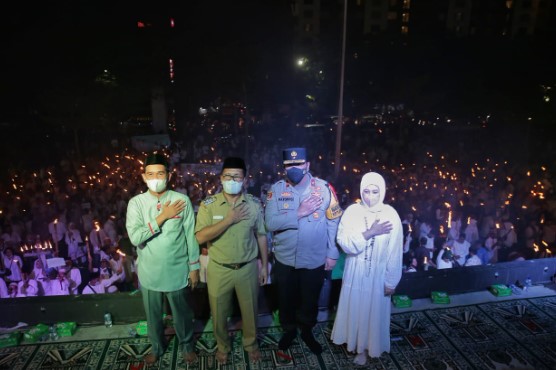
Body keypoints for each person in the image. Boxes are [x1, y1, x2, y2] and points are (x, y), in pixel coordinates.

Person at [264, 147, 341, 354]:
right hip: (285, 259)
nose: (294, 168)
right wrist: (298, 213)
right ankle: (289, 330)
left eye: (298, 164)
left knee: (310, 299)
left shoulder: (325, 189)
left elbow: (334, 222)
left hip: (314, 259)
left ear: (307, 165)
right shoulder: (276, 189)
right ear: (284, 167)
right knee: (286, 300)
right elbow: (270, 223)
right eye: (289, 165)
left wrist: (332, 253)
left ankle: (307, 331)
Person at [126, 152, 200, 365]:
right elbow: (135, 237)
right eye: (150, 174)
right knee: (153, 317)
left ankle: (187, 346)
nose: (155, 178)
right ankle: (157, 348)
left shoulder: (181, 200)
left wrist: (194, 267)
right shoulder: (136, 204)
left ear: (168, 175)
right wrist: (162, 217)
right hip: (150, 273)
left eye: (160, 173)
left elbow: (190, 236)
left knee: (182, 315)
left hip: (177, 270)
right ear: (143, 176)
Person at [194, 157, 268, 365]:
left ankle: (251, 344)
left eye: (237, 176)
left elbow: (261, 235)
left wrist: (264, 266)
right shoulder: (209, 205)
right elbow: (200, 237)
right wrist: (229, 219)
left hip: (248, 268)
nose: (232, 180)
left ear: (245, 180)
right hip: (219, 269)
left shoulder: (253, 204)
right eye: (228, 176)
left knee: (250, 311)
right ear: (221, 178)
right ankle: (223, 346)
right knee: (218, 314)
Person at [330, 171, 403, 365]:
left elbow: (395, 251)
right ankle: (357, 347)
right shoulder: (352, 212)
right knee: (356, 309)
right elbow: (343, 242)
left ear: (383, 192)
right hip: (355, 272)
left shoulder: (391, 215)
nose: (370, 197)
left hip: (378, 276)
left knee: (373, 311)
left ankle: (370, 346)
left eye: (375, 192)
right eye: (367, 191)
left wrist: (391, 280)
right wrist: (369, 233)